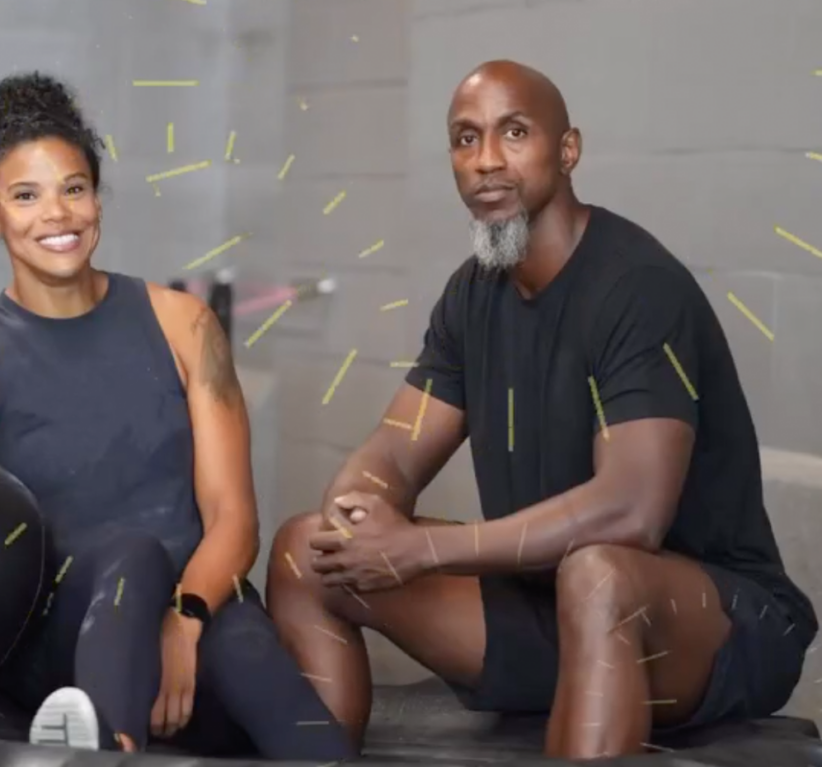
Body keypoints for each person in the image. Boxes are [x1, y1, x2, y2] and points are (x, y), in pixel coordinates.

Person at [265, 59, 819, 761]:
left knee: (599, 573)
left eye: (513, 133)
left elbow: (631, 511)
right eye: (466, 140)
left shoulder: (638, 288)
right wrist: (357, 510)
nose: (486, 160)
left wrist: (420, 546)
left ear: (568, 149)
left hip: (710, 623)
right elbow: (397, 450)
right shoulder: (474, 293)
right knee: (307, 550)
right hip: (548, 601)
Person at [0, 72, 354, 761]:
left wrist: (183, 622)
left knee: (251, 652)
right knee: (131, 552)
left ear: (98, 199)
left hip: (195, 619)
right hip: (59, 647)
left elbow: (235, 519)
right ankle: (103, 738)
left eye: (74, 188)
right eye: (25, 195)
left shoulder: (185, 324)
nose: (57, 214)